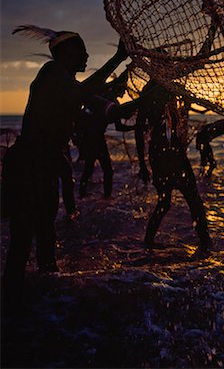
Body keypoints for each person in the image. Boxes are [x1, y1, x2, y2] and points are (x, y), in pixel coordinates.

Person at [2, 25, 137, 301]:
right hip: (27, 167)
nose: (86, 55)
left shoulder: (73, 86)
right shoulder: (51, 74)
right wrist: (117, 58)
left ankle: (48, 306)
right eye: (81, 50)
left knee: (46, 233)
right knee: (23, 239)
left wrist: (148, 98)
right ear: (63, 53)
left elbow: (114, 110)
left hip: (46, 167)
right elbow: (82, 94)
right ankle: (13, 313)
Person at [135, 79, 211, 250]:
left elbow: (142, 129)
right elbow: (139, 129)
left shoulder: (167, 87)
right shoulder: (154, 89)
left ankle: (148, 242)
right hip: (166, 154)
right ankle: (206, 243)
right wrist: (142, 164)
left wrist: (143, 163)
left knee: (168, 201)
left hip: (165, 153)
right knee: (190, 199)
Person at [76, 70, 134, 198]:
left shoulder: (104, 97)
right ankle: (106, 197)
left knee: (89, 168)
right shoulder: (110, 101)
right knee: (107, 170)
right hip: (95, 138)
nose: (125, 92)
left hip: (89, 137)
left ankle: (82, 195)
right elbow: (119, 126)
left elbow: (118, 126)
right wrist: (135, 126)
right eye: (123, 89)